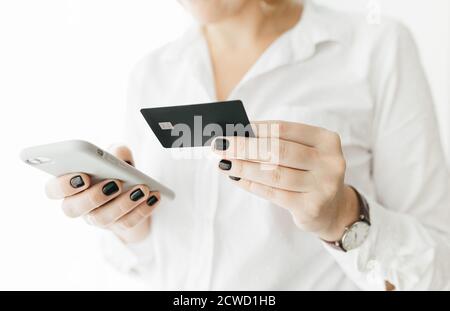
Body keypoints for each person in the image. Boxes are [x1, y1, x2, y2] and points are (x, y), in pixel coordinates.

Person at [44, 0, 450, 290]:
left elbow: (438, 275)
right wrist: (128, 225)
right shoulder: (152, 75)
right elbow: (151, 263)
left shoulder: (375, 47)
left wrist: (343, 217)